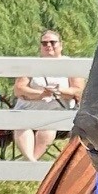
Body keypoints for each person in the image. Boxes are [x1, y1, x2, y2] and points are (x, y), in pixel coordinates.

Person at [14, 27, 81, 162]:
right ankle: (31, 161)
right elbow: (19, 89)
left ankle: (30, 162)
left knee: (49, 127)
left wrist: (58, 91)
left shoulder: (71, 65)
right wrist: (41, 94)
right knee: (21, 126)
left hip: (55, 113)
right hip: (28, 110)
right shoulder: (32, 65)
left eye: (52, 42)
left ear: (60, 45)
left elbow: (78, 91)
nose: (48, 45)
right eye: (44, 43)